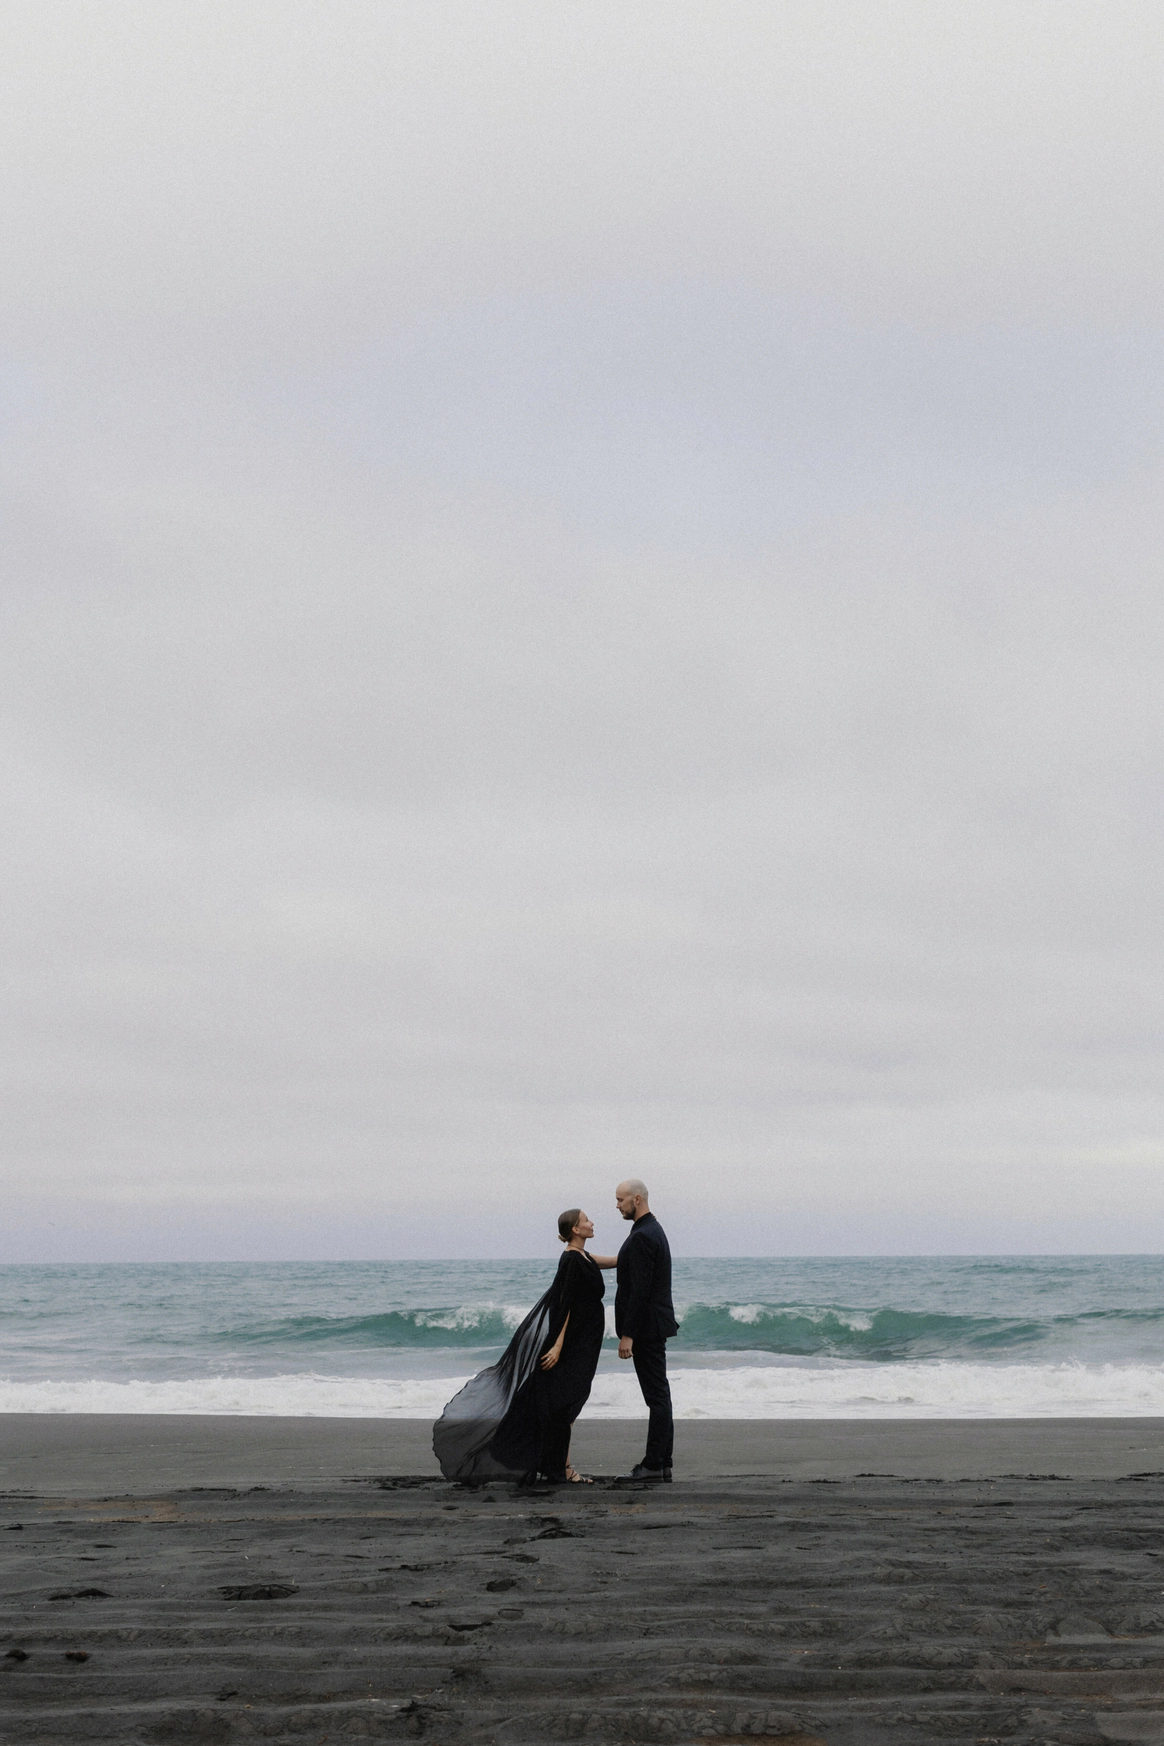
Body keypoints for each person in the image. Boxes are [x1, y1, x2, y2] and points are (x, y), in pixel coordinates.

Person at [432, 1210, 616, 1484]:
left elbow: (613, 1261)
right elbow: (564, 1305)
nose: (592, 1223)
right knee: (565, 1403)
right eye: (586, 1220)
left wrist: (636, 1249)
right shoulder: (570, 1260)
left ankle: (558, 1465)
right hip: (573, 1342)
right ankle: (562, 1467)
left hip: (586, 1340)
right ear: (576, 1230)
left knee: (569, 1401)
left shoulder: (583, 1257)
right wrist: (557, 1346)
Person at [612, 1179, 678, 1483]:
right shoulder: (652, 1230)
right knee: (660, 1395)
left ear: (636, 1199)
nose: (617, 1206)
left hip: (646, 1328)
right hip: (654, 1324)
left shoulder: (642, 1236)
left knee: (656, 1397)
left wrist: (628, 1334)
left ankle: (653, 1464)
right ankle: (662, 1463)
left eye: (620, 1200)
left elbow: (640, 1290)